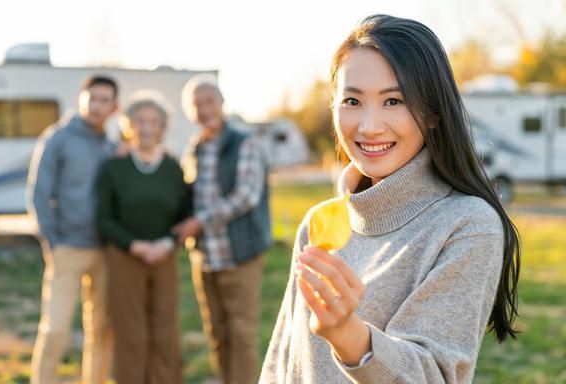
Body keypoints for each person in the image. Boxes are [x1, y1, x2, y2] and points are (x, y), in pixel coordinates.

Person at [260, 14, 520, 384]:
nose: (368, 126)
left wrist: (347, 335)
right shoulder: (317, 225)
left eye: (393, 100)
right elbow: (282, 361)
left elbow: (434, 374)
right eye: (352, 100)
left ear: (432, 113)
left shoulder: (467, 225)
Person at [174, 75, 271, 384]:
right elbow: (189, 195)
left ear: (221, 103)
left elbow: (246, 196)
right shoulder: (194, 148)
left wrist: (199, 222)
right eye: (196, 104)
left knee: (241, 334)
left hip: (239, 253)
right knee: (216, 333)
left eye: (209, 101)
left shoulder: (244, 142)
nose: (204, 109)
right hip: (204, 257)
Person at [27, 75, 118, 384]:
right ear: (81, 98)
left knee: (101, 330)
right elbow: (39, 193)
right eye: (93, 97)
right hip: (67, 247)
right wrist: (51, 240)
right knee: (56, 328)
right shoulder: (57, 138)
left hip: (105, 250)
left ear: (113, 107)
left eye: (105, 100)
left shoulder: (112, 145)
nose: (97, 105)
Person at [96, 91, 190, 384]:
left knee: (165, 329)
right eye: (140, 121)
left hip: (164, 256)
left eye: (154, 121)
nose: (147, 127)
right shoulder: (115, 168)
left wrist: (166, 243)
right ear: (129, 125)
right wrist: (135, 246)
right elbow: (103, 218)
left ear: (163, 127)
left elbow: (186, 215)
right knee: (130, 330)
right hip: (125, 256)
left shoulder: (173, 168)